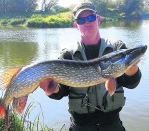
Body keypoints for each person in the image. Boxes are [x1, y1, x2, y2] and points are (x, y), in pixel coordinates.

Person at [40, 2, 142, 131]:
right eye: (81, 20)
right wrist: (52, 90)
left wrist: (131, 67)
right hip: (80, 126)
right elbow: (61, 91)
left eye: (91, 18)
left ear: (98, 20)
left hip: (112, 125)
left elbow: (131, 84)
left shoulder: (117, 48)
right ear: (76, 25)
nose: (87, 22)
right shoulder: (68, 54)